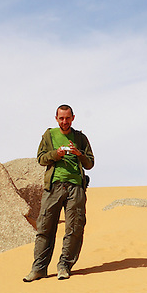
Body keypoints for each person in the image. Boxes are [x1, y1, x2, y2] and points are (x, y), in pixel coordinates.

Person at [24, 104, 94, 282]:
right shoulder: (49, 136)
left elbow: (90, 163)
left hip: (75, 187)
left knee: (74, 228)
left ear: (73, 118)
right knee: (45, 227)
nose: (64, 121)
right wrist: (56, 154)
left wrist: (79, 154)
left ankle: (64, 266)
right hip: (54, 186)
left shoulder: (80, 138)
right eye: (61, 118)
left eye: (67, 118)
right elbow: (41, 158)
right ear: (56, 119)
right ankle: (39, 268)